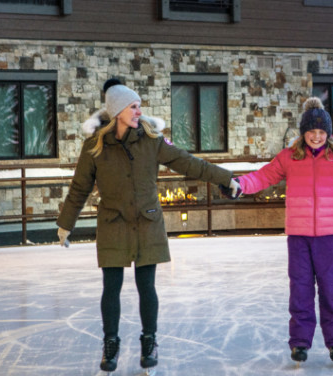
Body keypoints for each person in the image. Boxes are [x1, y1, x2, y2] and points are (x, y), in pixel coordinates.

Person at [56, 79, 240, 373]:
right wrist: (66, 223)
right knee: (111, 288)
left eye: (139, 106)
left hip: (147, 222)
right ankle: (111, 343)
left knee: (147, 287)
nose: (139, 111)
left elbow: (188, 163)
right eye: (133, 106)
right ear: (117, 111)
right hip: (113, 222)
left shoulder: (152, 142)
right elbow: (79, 188)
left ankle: (149, 340)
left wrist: (225, 177)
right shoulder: (95, 147)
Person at [233, 97, 333, 363]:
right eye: (311, 131)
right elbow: (263, 176)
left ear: (328, 133)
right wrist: (239, 185)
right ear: (303, 132)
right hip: (299, 236)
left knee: (332, 290)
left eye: (321, 132)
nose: (316, 137)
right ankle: (300, 342)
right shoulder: (290, 157)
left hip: (329, 237)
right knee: (300, 290)